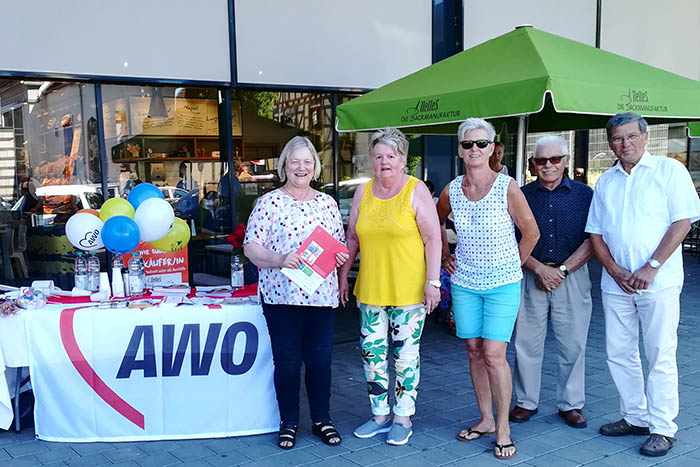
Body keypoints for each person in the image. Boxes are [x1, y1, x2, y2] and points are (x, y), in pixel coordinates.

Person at [585, 113, 700, 457]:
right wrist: (615, 269)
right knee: (620, 352)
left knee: (660, 353)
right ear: (610, 144)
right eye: (618, 139)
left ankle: (663, 427)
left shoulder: (669, 171)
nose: (626, 144)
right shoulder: (606, 180)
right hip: (615, 283)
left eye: (632, 136)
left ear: (645, 137)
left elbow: (682, 222)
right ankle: (635, 416)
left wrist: (651, 266)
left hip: (659, 281)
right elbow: (595, 232)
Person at [437, 118, 539, 460]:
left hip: (502, 284)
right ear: (460, 150)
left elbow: (531, 232)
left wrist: (514, 265)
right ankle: (485, 419)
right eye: (468, 144)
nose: (475, 149)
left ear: (493, 147)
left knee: (494, 354)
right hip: (465, 282)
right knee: (474, 350)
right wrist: (443, 254)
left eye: (482, 143)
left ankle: (504, 427)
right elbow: (434, 221)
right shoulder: (452, 190)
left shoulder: (508, 187)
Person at [243, 136, 349, 450]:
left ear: (315, 167)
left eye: (307, 162)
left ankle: (322, 419)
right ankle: (288, 422)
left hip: (321, 298)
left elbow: (338, 245)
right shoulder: (269, 202)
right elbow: (250, 247)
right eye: (294, 161)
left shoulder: (327, 203)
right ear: (284, 167)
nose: (301, 168)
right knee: (287, 363)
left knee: (320, 362)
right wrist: (279, 259)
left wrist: (339, 258)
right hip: (281, 297)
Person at [338, 127, 440, 446]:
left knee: (405, 357)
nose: (384, 162)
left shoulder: (415, 189)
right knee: (372, 355)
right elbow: (352, 238)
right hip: (370, 288)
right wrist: (342, 276)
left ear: (402, 159)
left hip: (408, 290)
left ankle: (403, 417)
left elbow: (433, 238)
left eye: (391, 156)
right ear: (372, 159)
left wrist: (433, 282)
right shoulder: (363, 191)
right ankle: (380, 414)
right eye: (379, 156)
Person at [510, 135, 594, 429]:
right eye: (541, 160)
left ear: (566, 161)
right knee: (526, 343)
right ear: (532, 163)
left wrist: (562, 270)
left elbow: (593, 239)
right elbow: (511, 240)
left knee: (573, 344)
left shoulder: (585, 195)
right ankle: (525, 402)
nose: (547, 165)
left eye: (554, 159)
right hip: (530, 274)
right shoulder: (520, 194)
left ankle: (571, 404)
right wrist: (537, 268)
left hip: (571, 276)